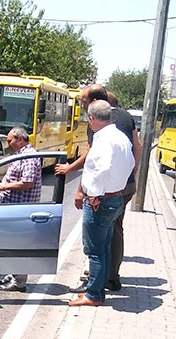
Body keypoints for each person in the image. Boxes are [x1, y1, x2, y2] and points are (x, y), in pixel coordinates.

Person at [55, 85, 142, 293]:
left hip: (102, 196)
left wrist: (89, 194)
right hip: (123, 188)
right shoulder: (124, 121)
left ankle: (95, 289)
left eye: (84, 102)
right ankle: (110, 278)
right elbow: (135, 151)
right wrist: (125, 179)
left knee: (96, 247)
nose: (83, 106)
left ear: (94, 105)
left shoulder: (100, 132)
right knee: (112, 236)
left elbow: (94, 166)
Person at [69, 100, 135, 306]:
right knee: (104, 247)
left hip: (101, 200)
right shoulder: (120, 137)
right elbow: (132, 163)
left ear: (91, 119)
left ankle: (94, 295)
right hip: (115, 197)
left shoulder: (104, 139)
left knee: (95, 250)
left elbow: (102, 167)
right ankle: (97, 290)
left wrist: (94, 195)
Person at [0, 126, 42, 292]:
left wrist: (3, 186)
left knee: (19, 245)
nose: (8, 144)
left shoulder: (28, 156)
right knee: (11, 243)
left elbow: (28, 183)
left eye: (9, 140)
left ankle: (19, 281)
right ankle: (13, 274)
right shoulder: (20, 154)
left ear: (20, 139)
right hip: (13, 207)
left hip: (21, 209)